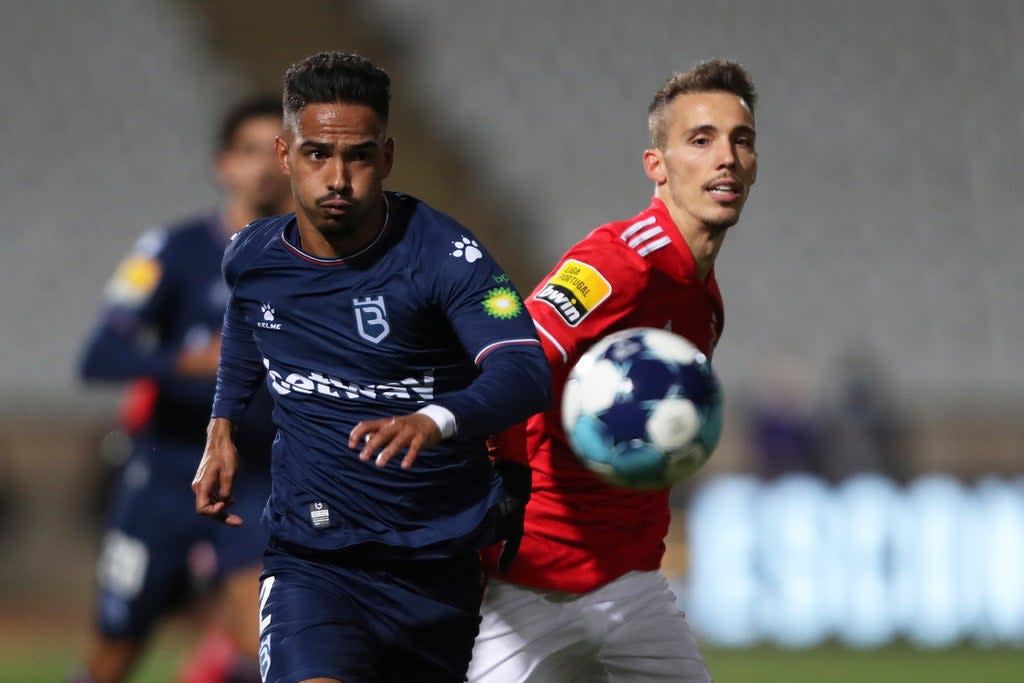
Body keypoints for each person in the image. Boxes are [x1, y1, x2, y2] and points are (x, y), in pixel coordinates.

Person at [191, 51, 551, 683]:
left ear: (385, 158)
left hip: (436, 565)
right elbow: (248, 323)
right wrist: (221, 425)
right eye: (317, 155)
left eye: (357, 156)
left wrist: (435, 420)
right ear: (284, 156)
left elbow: (524, 370)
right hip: (313, 561)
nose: (337, 177)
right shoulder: (252, 256)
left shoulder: (448, 256)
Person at [470, 59, 760, 682]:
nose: (727, 159)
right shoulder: (617, 264)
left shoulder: (703, 299)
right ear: (657, 165)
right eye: (701, 140)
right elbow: (513, 362)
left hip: (630, 589)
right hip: (527, 586)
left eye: (741, 140)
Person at [72, 96, 292, 683]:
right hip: (167, 478)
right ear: (224, 164)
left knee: (268, 647)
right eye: (250, 151)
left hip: (257, 482)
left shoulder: (318, 265)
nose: (265, 167)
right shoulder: (175, 252)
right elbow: (99, 355)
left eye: (280, 151)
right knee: (115, 649)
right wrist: (191, 362)